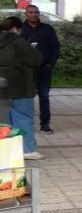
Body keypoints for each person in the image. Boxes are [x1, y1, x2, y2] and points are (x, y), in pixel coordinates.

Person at [0, 16, 43, 159]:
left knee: (4, 120)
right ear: (17, 29)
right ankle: (28, 150)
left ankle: (6, 152)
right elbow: (36, 59)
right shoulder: (18, 42)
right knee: (23, 117)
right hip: (20, 86)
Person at [20, 5, 59, 134]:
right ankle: (27, 125)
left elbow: (55, 48)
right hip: (26, 70)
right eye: (31, 12)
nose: (34, 15)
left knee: (44, 97)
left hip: (44, 69)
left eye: (36, 12)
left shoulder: (47, 29)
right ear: (26, 14)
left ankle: (45, 124)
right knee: (26, 98)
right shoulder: (21, 30)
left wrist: (50, 64)